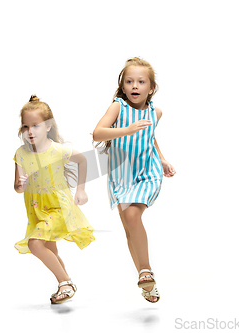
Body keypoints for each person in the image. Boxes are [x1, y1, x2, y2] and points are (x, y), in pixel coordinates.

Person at [93, 58, 176, 303]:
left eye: (141, 81)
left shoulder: (155, 112)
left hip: (147, 172)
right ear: (123, 86)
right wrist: (126, 130)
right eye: (129, 81)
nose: (135, 86)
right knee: (130, 228)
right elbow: (98, 133)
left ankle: (145, 270)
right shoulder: (117, 107)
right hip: (121, 175)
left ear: (151, 88)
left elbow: (150, 137)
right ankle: (146, 282)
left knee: (132, 216)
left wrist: (161, 159)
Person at [14, 95, 95, 304]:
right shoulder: (20, 154)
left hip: (59, 207)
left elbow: (83, 160)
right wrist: (21, 184)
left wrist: (81, 190)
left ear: (48, 126)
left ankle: (66, 282)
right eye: (25, 127)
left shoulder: (58, 150)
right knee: (49, 249)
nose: (29, 131)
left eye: (35, 126)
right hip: (36, 209)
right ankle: (64, 286)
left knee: (34, 244)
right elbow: (17, 187)